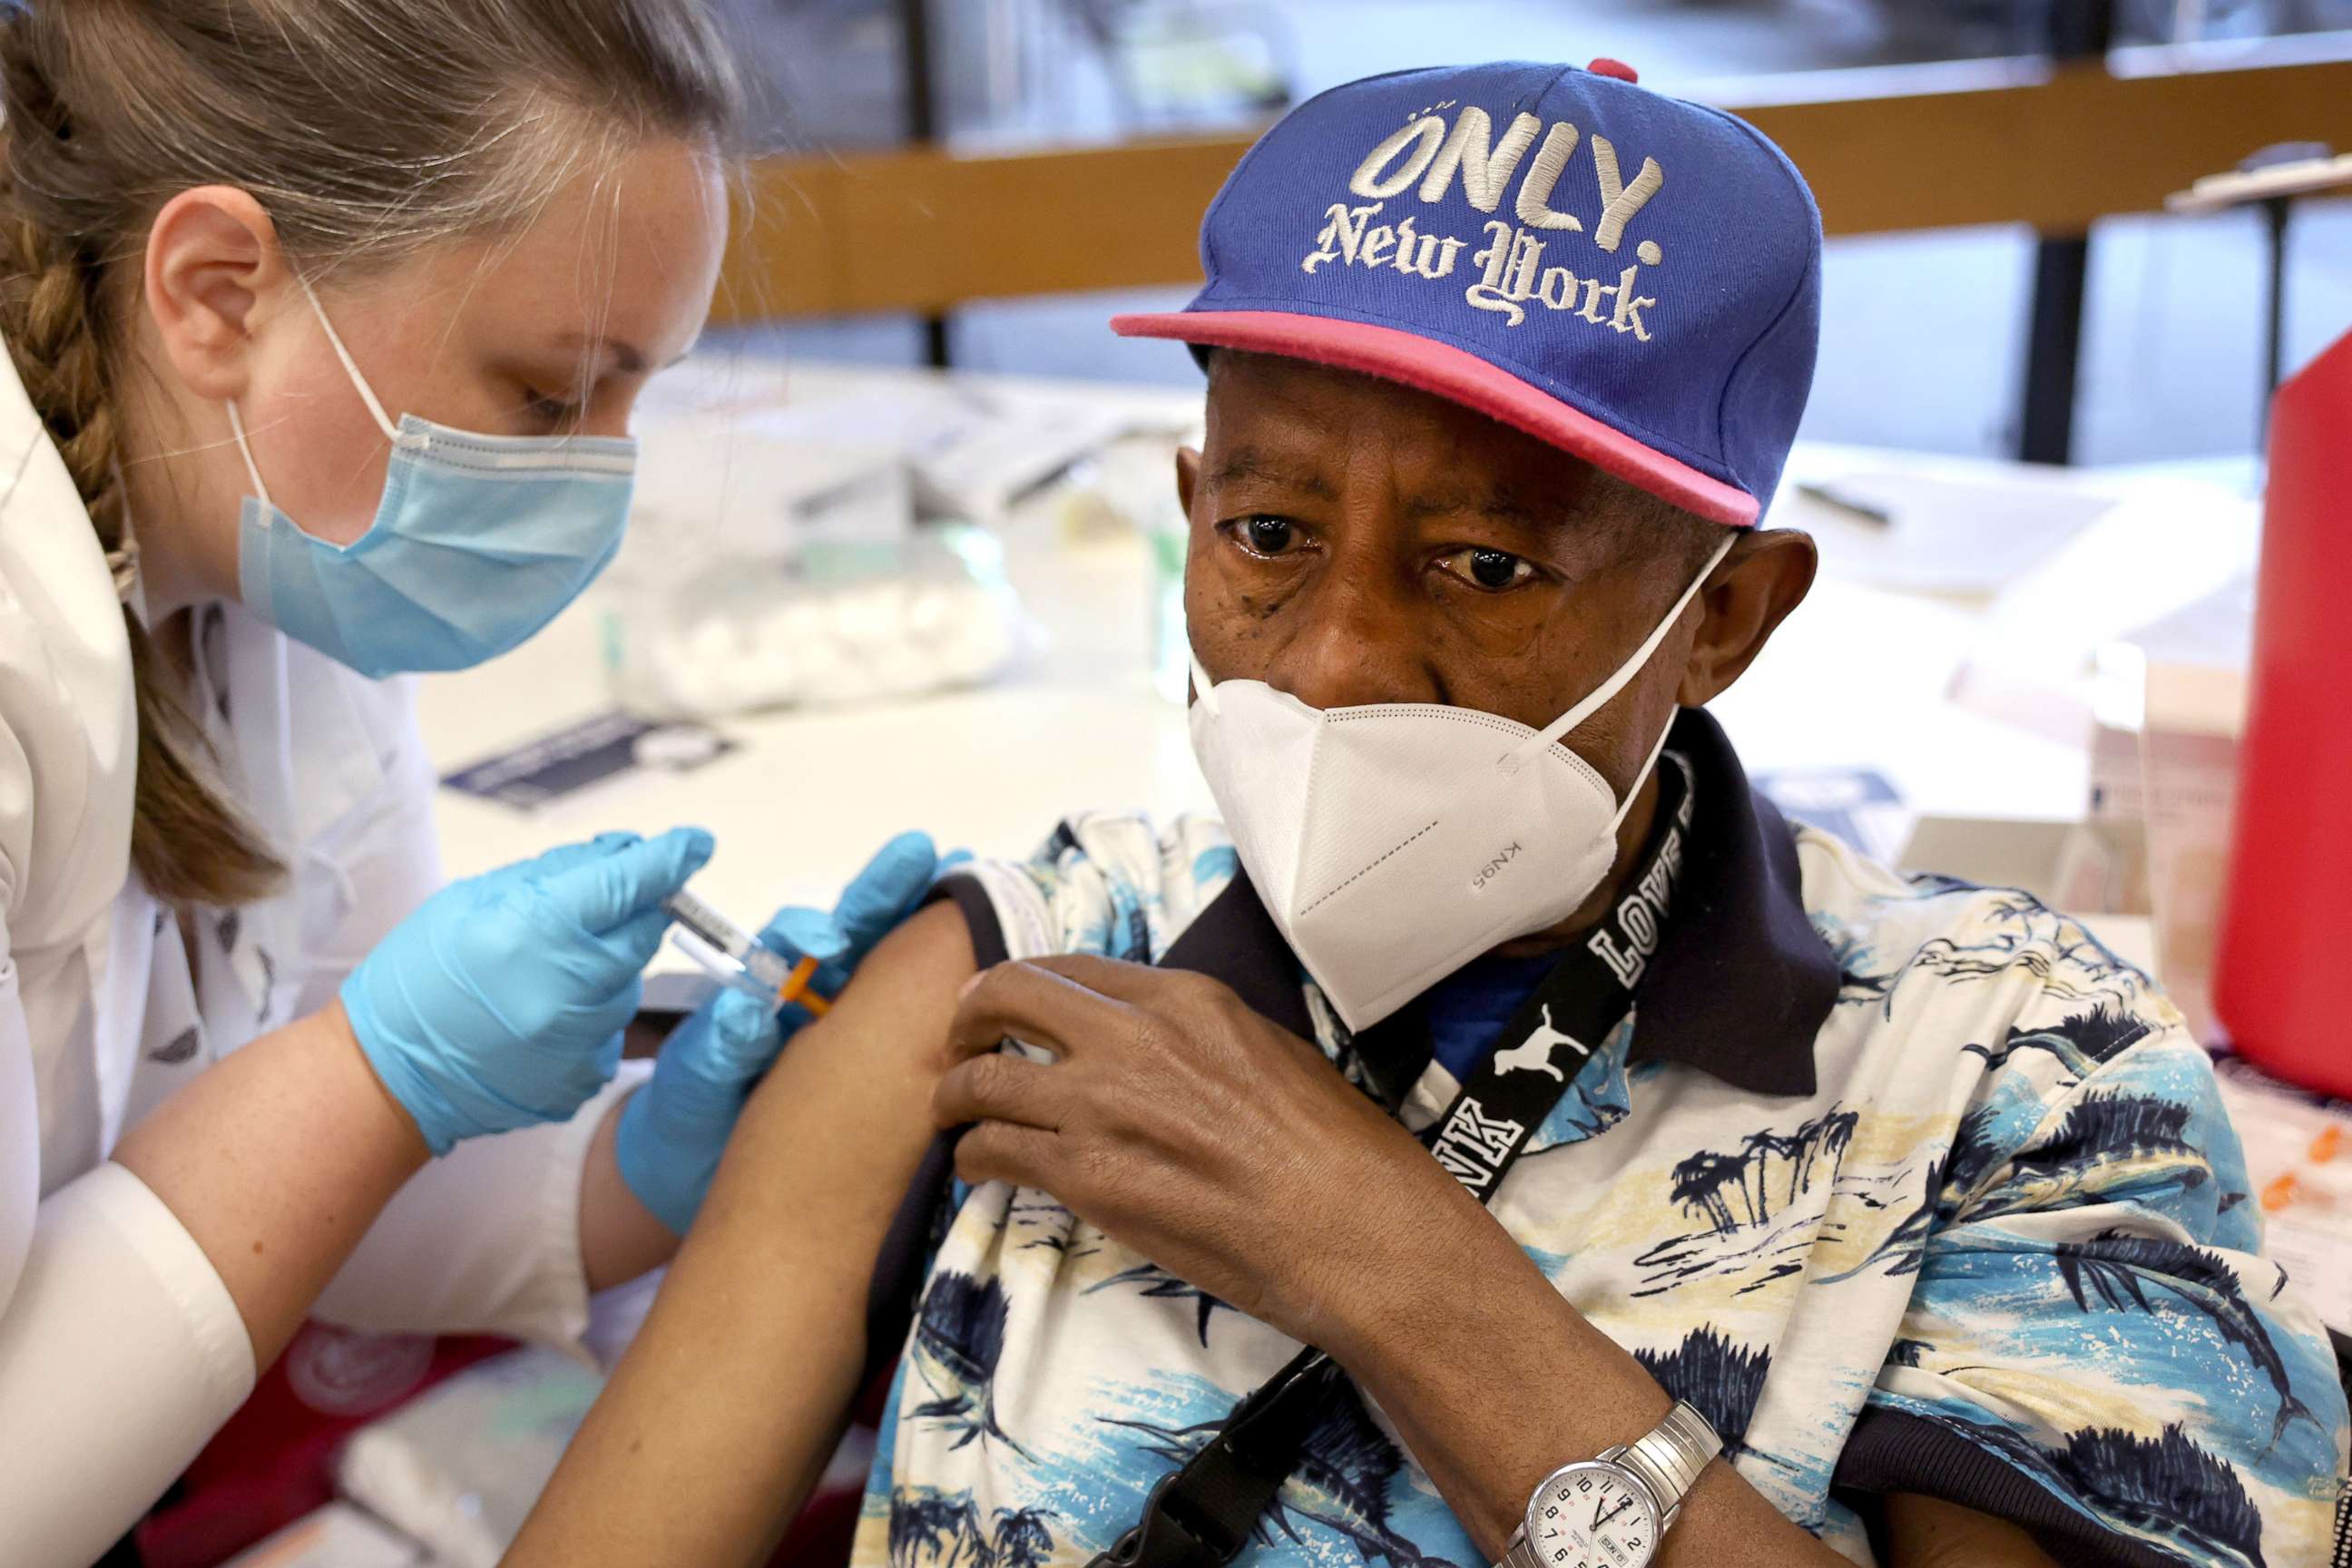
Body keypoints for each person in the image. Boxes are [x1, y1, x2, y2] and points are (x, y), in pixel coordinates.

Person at [512, 59, 2351, 1568]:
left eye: (1481, 565)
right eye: (1268, 537)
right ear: (1188, 501)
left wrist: (1385, 1259)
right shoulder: (1024, 975)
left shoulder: (2011, 1072)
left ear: (1726, 614)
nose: (1327, 666)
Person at [0, 5, 945, 1563]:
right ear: (217, 294)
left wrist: (628, 1165)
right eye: (551, 395)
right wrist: (373, 1077)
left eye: (642, 395)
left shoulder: (274, 542)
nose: (597, 480)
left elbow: (313, 1211)